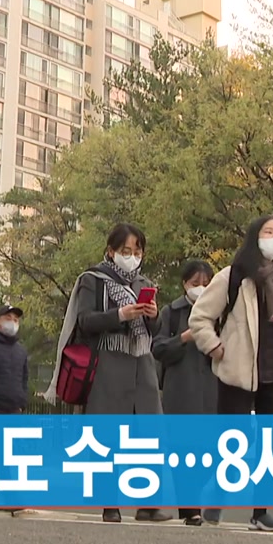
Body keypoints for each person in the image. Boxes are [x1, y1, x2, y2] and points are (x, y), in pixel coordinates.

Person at [188, 216, 273, 532]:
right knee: (234, 442)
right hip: (237, 372)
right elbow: (200, 318)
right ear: (255, 237)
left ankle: (261, 512)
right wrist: (215, 347)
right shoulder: (233, 277)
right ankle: (216, 496)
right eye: (268, 232)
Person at [50, 223, 171, 524]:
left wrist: (153, 315)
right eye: (125, 251)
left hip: (142, 363)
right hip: (108, 363)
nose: (132, 257)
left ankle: (148, 503)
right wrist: (119, 315)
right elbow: (85, 321)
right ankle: (110, 503)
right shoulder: (93, 279)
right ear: (111, 251)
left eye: (137, 252)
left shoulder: (144, 282)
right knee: (107, 436)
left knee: (148, 433)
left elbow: (154, 330)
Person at [151, 259, 217, 526]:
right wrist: (184, 337)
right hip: (180, 391)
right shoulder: (172, 312)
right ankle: (190, 510)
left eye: (206, 284)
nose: (200, 288)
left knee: (211, 454)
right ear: (184, 284)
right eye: (195, 283)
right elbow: (158, 348)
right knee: (183, 453)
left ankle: (194, 502)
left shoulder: (219, 313)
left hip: (211, 391)